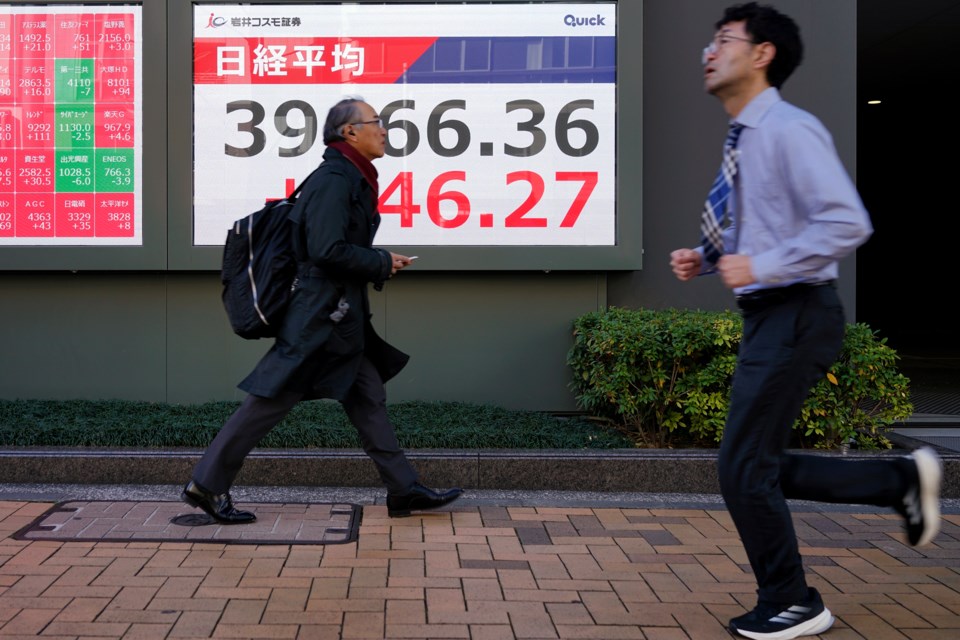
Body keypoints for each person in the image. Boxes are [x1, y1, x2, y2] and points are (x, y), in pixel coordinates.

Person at [669, 4, 941, 639]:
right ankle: (898, 479)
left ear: (762, 54)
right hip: (776, 313)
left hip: (796, 313)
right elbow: (767, 222)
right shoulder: (746, 136)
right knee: (750, 463)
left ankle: (793, 601)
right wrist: (708, 258)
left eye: (723, 41)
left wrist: (759, 264)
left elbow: (848, 222)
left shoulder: (787, 129)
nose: (708, 53)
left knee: (743, 465)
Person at [182, 97, 463, 523]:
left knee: (368, 397)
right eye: (377, 122)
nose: (384, 130)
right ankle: (206, 484)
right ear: (350, 132)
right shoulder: (336, 178)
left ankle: (404, 489)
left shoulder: (349, 175)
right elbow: (326, 249)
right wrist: (382, 261)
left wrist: (380, 261)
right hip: (320, 319)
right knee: (268, 402)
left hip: (339, 318)